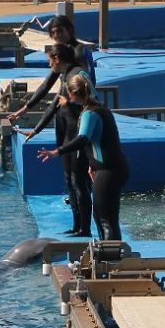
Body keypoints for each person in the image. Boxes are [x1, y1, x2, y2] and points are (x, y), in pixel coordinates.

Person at [37, 74, 129, 243]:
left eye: (68, 92)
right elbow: (98, 141)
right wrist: (92, 165)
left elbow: (83, 139)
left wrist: (57, 151)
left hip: (108, 170)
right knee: (108, 217)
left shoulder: (89, 114)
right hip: (114, 168)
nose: (67, 95)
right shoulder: (100, 108)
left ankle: (111, 260)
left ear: (73, 92)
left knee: (104, 217)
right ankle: (112, 256)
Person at [14, 43, 94, 236]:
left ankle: (85, 228)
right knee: (69, 180)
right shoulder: (65, 75)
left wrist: (71, 105)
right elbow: (53, 107)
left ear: (57, 59)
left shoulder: (78, 75)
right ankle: (77, 225)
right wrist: (36, 130)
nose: (49, 64)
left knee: (79, 181)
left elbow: (93, 104)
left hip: (77, 135)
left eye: (50, 60)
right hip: (66, 134)